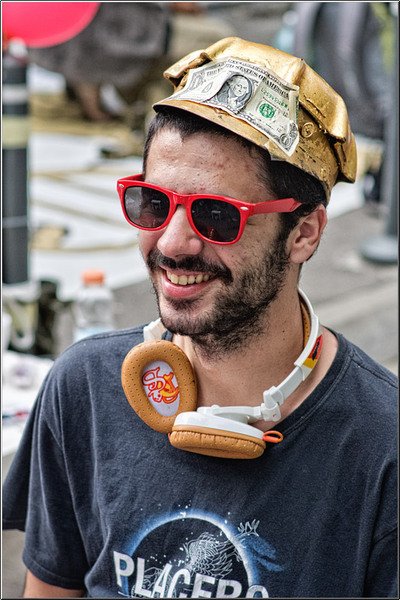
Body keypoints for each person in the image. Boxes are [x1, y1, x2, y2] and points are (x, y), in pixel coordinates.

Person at [2, 37, 397, 599]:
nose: (172, 244)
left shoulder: (382, 445)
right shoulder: (84, 388)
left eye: (216, 216)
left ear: (304, 233)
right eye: (153, 203)